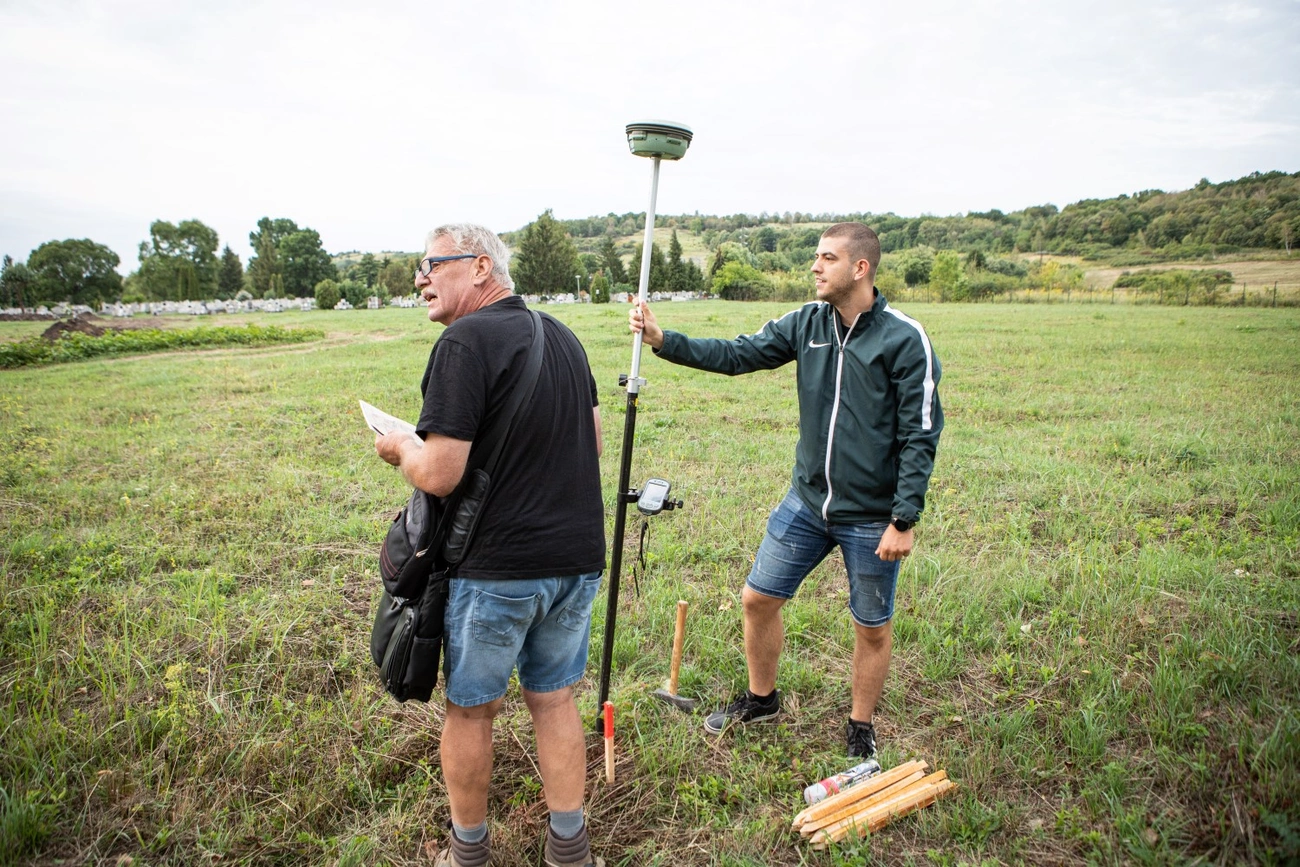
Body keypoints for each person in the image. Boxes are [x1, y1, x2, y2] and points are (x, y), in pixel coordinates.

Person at [628, 222, 943, 758]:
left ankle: (860, 726)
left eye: (828, 258)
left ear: (860, 267)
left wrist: (903, 519)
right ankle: (761, 698)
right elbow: (736, 354)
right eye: (817, 257)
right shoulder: (807, 323)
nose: (816, 267)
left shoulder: (903, 338)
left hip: (872, 516)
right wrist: (664, 341)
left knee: (870, 626)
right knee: (758, 598)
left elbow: (921, 431)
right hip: (806, 502)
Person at [376, 223, 606, 867]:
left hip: (498, 569)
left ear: (480, 268)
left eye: (430, 264)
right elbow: (589, 442)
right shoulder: (564, 336)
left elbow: (441, 471)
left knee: (472, 711)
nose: (420, 278)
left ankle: (469, 854)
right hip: (577, 561)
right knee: (555, 699)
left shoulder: (464, 341)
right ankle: (570, 847)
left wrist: (400, 449)